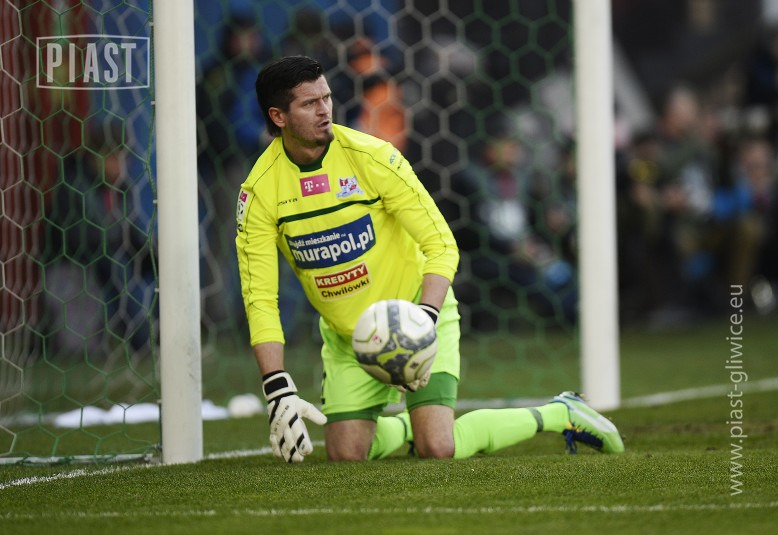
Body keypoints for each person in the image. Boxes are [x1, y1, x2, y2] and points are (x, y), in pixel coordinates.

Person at [235, 55, 624, 463]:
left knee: (438, 447)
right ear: (278, 116)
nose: (324, 110)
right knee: (346, 455)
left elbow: (441, 245)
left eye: (327, 98)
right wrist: (277, 387)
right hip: (351, 340)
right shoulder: (260, 191)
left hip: (420, 313)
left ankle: (559, 413)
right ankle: (413, 427)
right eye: (309, 103)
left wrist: (423, 322)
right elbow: (260, 298)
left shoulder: (372, 157)